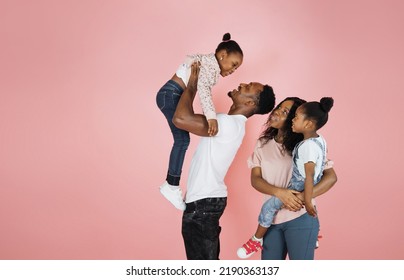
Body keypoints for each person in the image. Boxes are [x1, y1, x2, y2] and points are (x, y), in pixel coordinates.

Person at [172, 62, 276, 260]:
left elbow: (180, 119)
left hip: (203, 203)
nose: (242, 84)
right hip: (205, 202)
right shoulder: (229, 123)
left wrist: (193, 84)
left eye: (248, 88)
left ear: (250, 104)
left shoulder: (227, 124)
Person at [237, 97, 337, 259]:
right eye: (278, 108)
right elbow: (256, 179)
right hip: (270, 222)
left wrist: (304, 197)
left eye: (285, 112)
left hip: (300, 217)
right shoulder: (262, 143)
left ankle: (312, 233)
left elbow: (331, 177)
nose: (276, 112)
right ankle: (257, 239)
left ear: (294, 119)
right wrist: (281, 193)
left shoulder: (306, 145)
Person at [156, 33, 244, 210]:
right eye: (234, 65)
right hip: (171, 94)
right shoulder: (210, 66)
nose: (234, 70)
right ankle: (171, 185)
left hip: (170, 94)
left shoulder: (209, 63)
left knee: (182, 140)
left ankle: (171, 184)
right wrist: (211, 117)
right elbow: (203, 90)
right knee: (182, 140)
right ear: (223, 55)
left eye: (237, 68)